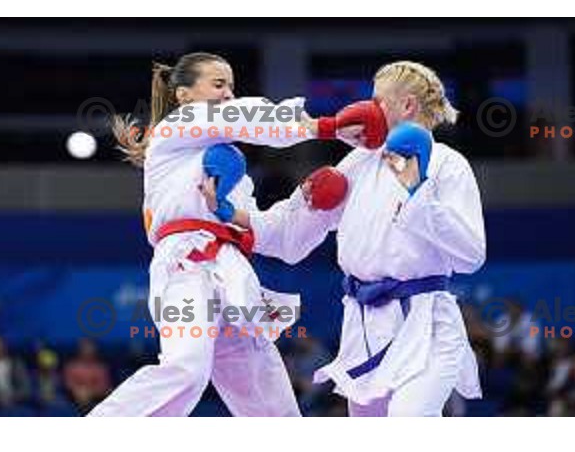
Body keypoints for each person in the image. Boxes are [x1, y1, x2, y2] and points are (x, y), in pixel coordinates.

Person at [89, 52, 377, 417]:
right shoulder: (172, 132)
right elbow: (241, 115)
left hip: (233, 273)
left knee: (272, 405)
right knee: (186, 370)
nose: (228, 94)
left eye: (232, 87)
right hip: (184, 266)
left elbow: (276, 237)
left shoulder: (237, 181)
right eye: (218, 84)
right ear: (184, 95)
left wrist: (310, 206)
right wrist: (327, 126)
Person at [208, 61, 486, 416]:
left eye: (378, 101)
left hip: (425, 323)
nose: (369, 109)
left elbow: (472, 255)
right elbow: (292, 235)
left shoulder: (448, 165)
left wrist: (419, 195)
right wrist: (233, 214)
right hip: (364, 324)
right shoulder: (358, 162)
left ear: (408, 106)